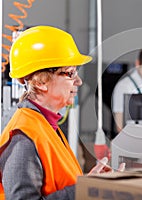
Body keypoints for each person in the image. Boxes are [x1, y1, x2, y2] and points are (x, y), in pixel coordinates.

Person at [0, 26, 124, 200]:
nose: (79, 81)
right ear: (42, 81)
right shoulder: (23, 138)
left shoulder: (46, 127)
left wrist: (89, 184)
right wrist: (86, 189)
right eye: (70, 73)